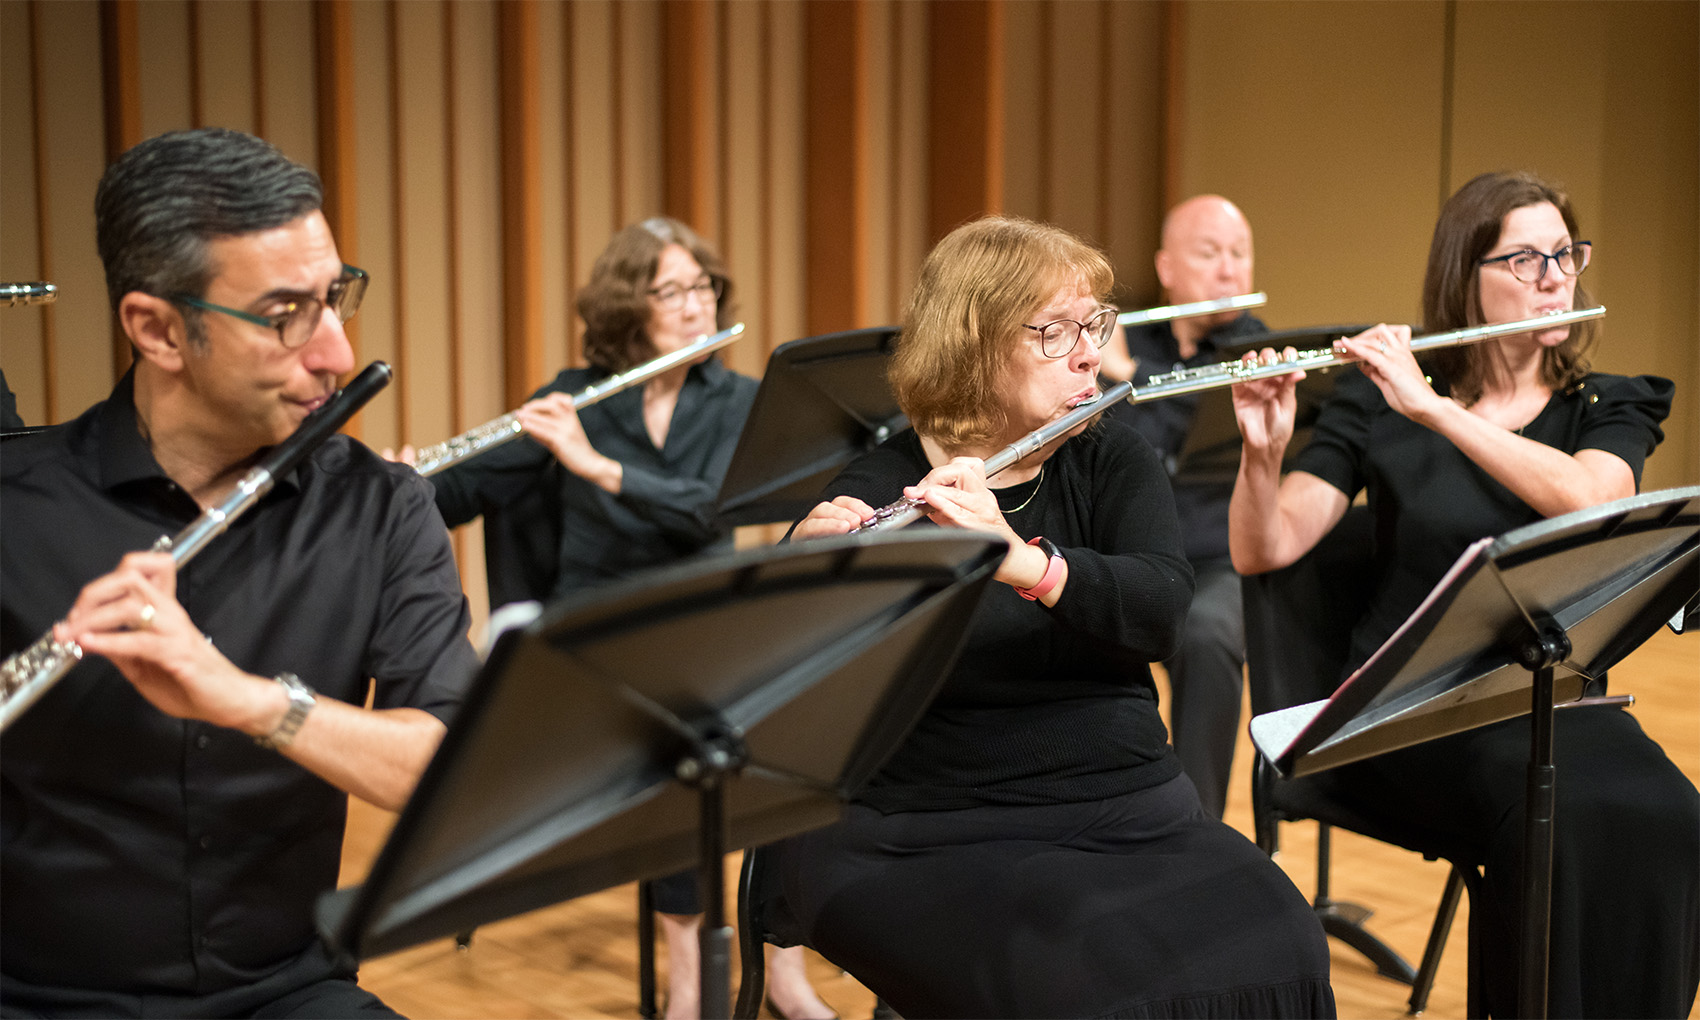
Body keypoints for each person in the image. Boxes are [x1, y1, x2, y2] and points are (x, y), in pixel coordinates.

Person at [779, 214, 1334, 1019]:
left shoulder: (1115, 459)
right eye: (1055, 332)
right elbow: (809, 680)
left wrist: (1021, 560)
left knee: (1284, 939)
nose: (1088, 351)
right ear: (975, 346)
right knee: (1089, 982)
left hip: (1131, 803)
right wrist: (805, 567)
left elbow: (1160, 612)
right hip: (937, 825)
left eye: (1094, 325)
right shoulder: (889, 481)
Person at [0, 128, 481, 1017]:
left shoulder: (380, 509)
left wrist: (250, 701)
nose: (335, 352)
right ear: (157, 329)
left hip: (288, 994)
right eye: (285, 315)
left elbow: (452, 772)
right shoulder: (16, 512)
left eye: (336, 299)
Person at [1227, 170, 1698, 1018]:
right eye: (1526, 259)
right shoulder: (1376, 408)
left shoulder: (1606, 406)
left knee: (1668, 812)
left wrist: (1437, 411)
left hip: (1550, 700)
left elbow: (1595, 500)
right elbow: (1267, 546)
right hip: (1411, 711)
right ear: (1464, 278)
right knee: (1546, 822)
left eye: (1566, 254)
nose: (1556, 277)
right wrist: (1263, 450)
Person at [422, 217, 833, 1020]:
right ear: (626, 309)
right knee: (678, 748)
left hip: (706, 617)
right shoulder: (575, 397)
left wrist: (596, 467)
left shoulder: (739, 401)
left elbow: (711, 513)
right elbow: (461, 491)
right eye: (671, 291)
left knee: (801, 739)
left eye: (703, 286)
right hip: (601, 634)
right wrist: (405, 478)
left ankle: (779, 964)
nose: (695, 306)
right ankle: (689, 983)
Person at [1102, 194, 1265, 818]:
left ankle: (1195, 828)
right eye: (1209, 253)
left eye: (1240, 254)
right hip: (1125, 553)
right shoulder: (1121, 338)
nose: (1229, 270)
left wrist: (1128, 375)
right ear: (1167, 268)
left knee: (1205, 633)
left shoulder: (1257, 350)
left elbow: (1193, 415)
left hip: (1215, 562)